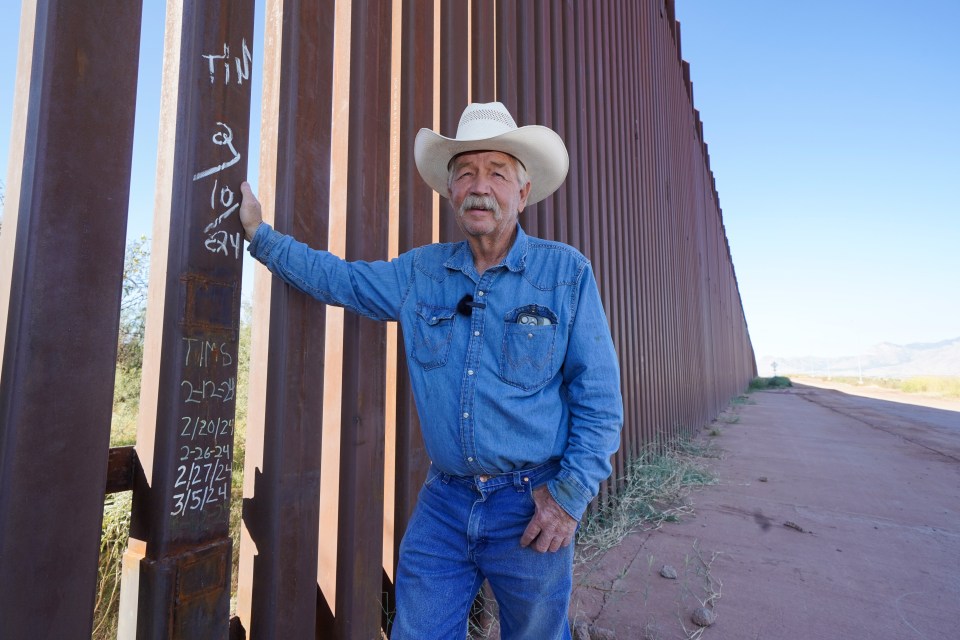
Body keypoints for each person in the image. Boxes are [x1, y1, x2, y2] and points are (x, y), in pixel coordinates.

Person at [239, 102, 623, 639]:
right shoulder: (421, 272)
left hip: (532, 505)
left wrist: (568, 498)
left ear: (523, 191)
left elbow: (599, 398)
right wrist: (262, 237)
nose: (479, 186)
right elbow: (341, 281)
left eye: (496, 173)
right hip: (445, 503)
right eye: (465, 173)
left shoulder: (566, 273)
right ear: (450, 193)